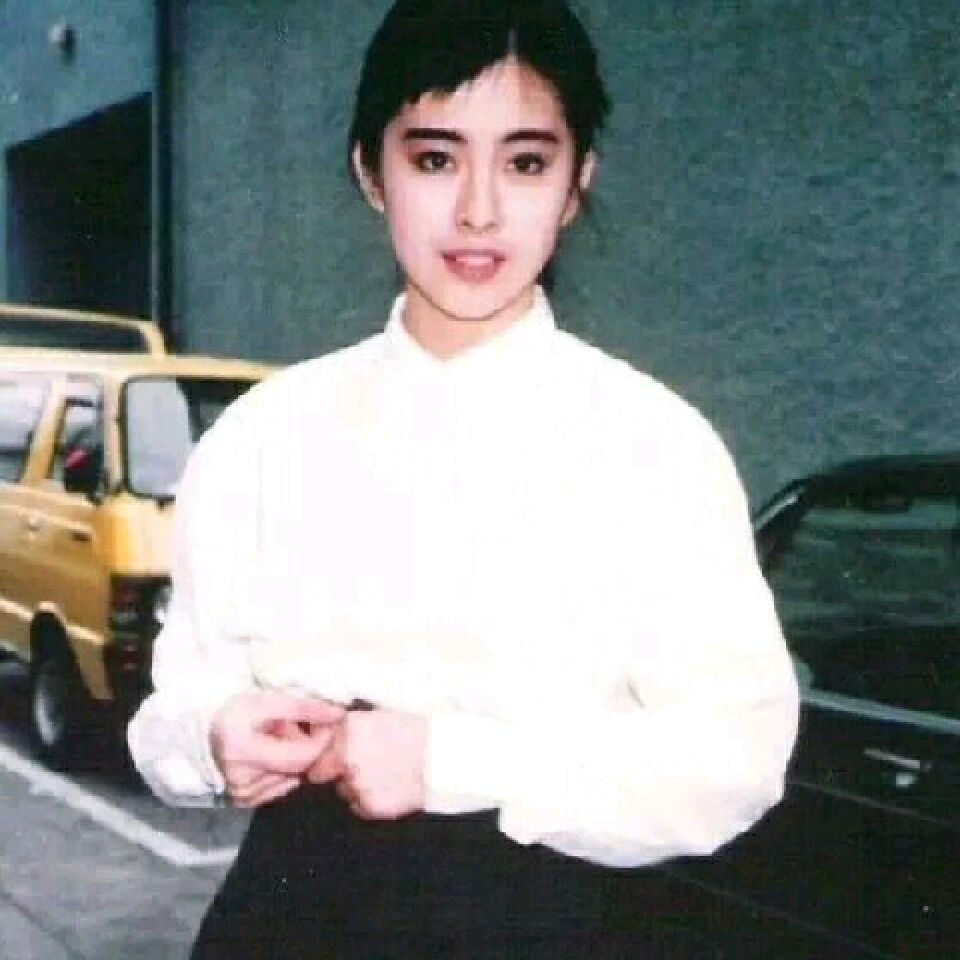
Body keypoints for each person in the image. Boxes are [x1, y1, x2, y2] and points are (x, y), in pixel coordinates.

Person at [128, 1, 800, 957]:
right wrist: (212, 737)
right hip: (291, 915)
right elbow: (176, 700)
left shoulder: (653, 448)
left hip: (557, 920)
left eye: (525, 163)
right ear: (371, 171)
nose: (479, 209)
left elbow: (735, 755)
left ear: (577, 182)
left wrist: (454, 760)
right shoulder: (264, 436)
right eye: (436, 158)